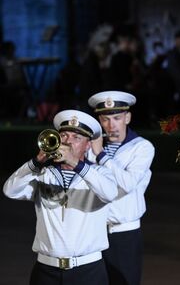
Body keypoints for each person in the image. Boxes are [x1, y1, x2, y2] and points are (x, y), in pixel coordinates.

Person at [3, 110, 117, 285]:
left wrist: (76, 163)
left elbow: (110, 193)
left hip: (89, 270)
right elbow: (10, 190)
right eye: (63, 135)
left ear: (87, 146)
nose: (67, 141)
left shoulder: (99, 173)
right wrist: (36, 161)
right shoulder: (43, 174)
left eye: (76, 138)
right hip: (46, 270)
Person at [87, 91, 155, 285]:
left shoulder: (142, 147)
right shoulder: (89, 147)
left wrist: (100, 155)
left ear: (128, 117)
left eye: (117, 118)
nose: (111, 125)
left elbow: (127, 183)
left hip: (124, 233)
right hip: (93, 232)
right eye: (105, 119)